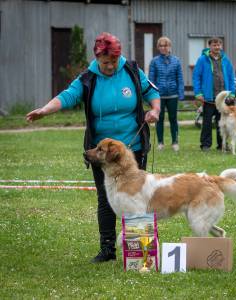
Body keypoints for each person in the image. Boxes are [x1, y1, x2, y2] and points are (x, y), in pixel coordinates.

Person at [26, 32, 160, 263]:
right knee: (106, 198)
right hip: (102, 154)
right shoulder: (88, 78)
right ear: (97, 58)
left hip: (133, 147)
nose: (110, 66)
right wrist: (45, 110)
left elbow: (152, 92)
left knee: (139, 197)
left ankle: (141, 254)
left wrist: (155, 110)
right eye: (105, 62)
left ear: (119, 56)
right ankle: (107, 249)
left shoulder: (131, 69)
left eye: (113, 61)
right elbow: (67, 96)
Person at [192, 37, 235, 152]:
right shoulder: (202, 59)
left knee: (222, 122)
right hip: (208, 98)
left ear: (221, 46)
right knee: (207, 122)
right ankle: (205, 145)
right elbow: (196, 77)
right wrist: (198, 93)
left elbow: (231, 78)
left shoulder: (226, 60)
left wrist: (232, 94)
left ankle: (222, 144)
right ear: (209, 46)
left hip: (222, 99)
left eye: (219, 45)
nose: (217, 47)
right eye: (214, 45)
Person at [149, 36, 184, 152]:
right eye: (161, 45)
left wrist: (181, 93)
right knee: (159, 119)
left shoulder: (176, 61)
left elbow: (179, 78)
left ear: (170, 47)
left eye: (166, 45)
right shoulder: (154, 61)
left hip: (173, 95)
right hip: (159, 96)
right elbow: (151, 79)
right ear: (158, 47)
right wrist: (151, 94)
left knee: (173, 119)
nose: (164, 48)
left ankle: (175, 142)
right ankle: (160, 143)